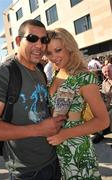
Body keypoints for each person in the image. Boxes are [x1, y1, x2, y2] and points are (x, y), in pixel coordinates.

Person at [0, 19, 65, 180]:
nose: (40, 45)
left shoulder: (40, 71)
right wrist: (38, 129)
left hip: (54, 159)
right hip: (27, 171)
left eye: (44, 40)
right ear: (18, 41)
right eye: (32, 38)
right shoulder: (3, 73)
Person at [45, 28, 110, 179]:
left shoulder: (84, 77)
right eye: (49, 53)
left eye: (58, 50)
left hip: (77, 150)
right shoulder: (56, 74)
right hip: (56, 150)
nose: (54, 57)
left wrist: (64, 134)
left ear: (69, 48)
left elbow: (103, 120)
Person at [93, 64, 112, 143]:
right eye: (105, 72)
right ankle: (100, 130)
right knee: (99, 112)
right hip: (110, 104)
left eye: (108, 71)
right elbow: (105, 97)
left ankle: (101, 133)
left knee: (109, 114)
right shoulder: (104, 83)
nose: (106, 73)